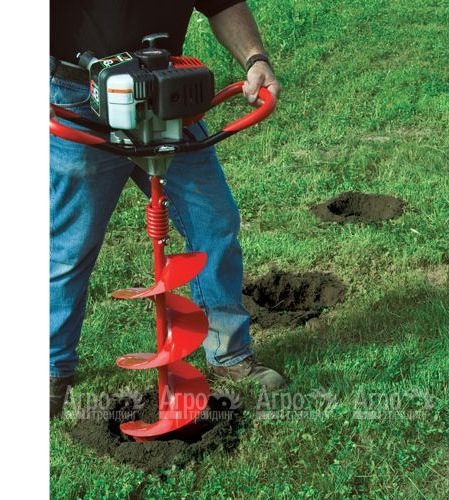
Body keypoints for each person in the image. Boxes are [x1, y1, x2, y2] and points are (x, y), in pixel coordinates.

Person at [50, 0, 286, 418]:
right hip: (82, 99)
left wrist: (255, 59)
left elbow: (223, 3)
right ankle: (52, 369)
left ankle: (229, 355)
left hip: (167, 96)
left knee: (213, 222)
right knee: (69, 249)